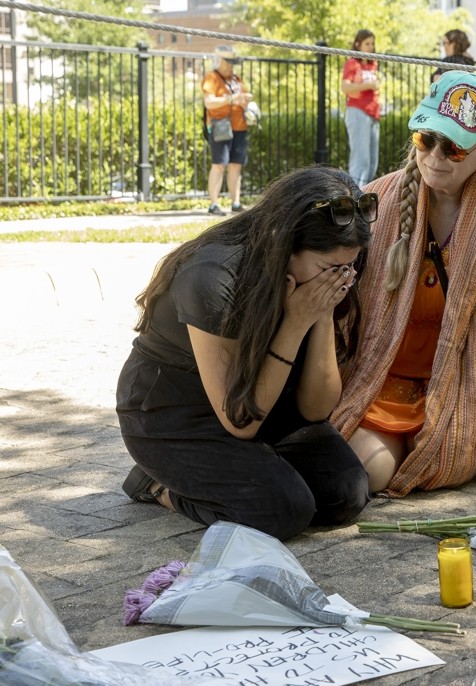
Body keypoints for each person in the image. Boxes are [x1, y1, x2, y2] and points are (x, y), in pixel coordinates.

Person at [329, 70, 476, 496]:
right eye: (427, 140)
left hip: (465, 390)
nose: (436, 157)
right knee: (368, 475)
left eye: (455, 148)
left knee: (448, 454)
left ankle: (442, 442)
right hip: (385, 383)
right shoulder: (379, 199)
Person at [117, 166, 374, 541]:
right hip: (176, 413)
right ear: (284, 245)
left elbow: (316, 410)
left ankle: (246, 472)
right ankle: (156, 485)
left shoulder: (332, 270)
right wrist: (295, 323)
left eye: (348, 267)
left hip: (264, 396)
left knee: (346, 494)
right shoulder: (212, 277)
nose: (341, 278)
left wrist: (318, 315)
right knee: (282, 511)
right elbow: (241, 420)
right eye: (329, 268)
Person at [202, 45, 253, 216]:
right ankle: (214, 204)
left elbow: (241, 98)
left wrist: (245, 101)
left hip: (240, 126)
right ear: (219, 61)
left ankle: (236, 202)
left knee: (235, 165)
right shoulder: (212, 78)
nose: (230, 66)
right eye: (227, 62)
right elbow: (209, 103)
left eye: (232, 63)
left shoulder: (236, 79)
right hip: (220, 125)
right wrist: (231, 99)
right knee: (219, 165)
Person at [342, 29, 381, 188]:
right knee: (361, 160)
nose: (370, 47)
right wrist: (368, 85)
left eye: (372, 43)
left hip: (374, 114)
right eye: (367, 43)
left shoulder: (373, 64)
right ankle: (353, 196)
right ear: (358, 44)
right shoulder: (352, 63)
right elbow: (345, 88)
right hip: (358, 112)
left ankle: (365, 195)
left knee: (372, 161)